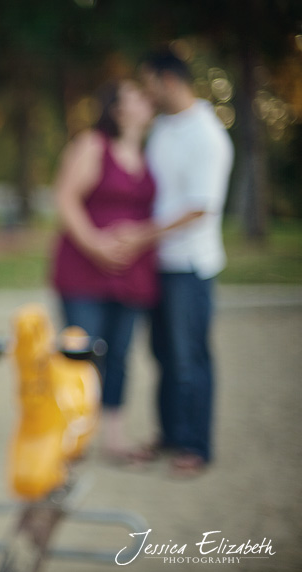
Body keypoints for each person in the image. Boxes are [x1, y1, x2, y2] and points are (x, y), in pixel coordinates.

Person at [49, 79, 159, 463]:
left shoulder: (149, 153)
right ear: (117, 109)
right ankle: (70, 434)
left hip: (130, 274)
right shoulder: (92, 145)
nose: (147, 102)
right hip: (84, 269)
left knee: (120, 355)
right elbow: (65, 197)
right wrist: (96, 244)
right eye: (137, 97)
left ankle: (114, 438)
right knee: (80, 351)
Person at [136, 49, 234, 477]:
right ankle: (171, 434)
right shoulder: (162, 127)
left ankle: (196, 445)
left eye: (148, 82)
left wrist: (142, 235)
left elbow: (200, 207)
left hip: (190, 266)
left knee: (189, 356)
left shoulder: (207, 134)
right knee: (161, 353)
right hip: (158, 262)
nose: (145, 91)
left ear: (168, 80)